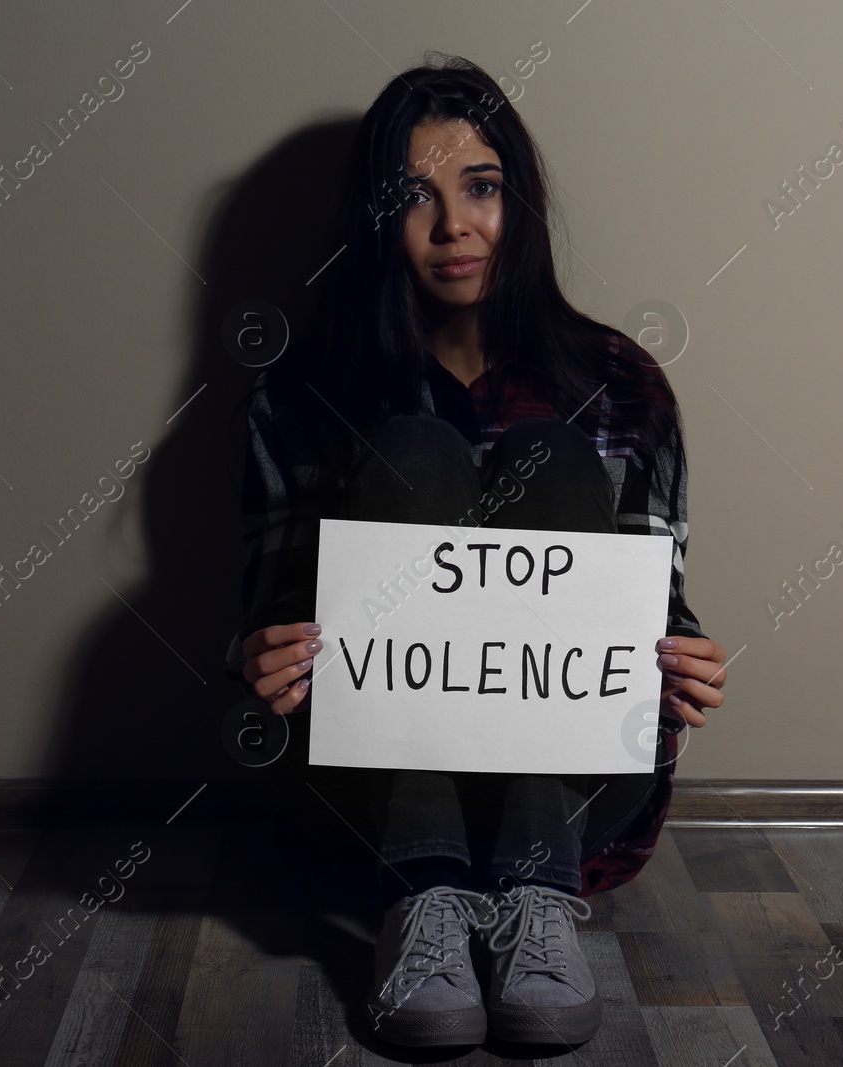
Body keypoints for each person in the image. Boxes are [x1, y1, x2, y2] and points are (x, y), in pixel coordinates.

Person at [223, 53, 726, 1049]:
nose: (454, 227)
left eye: (481, 188)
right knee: (412, 450)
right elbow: (265, 610)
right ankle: (425, 892)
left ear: (520, 202)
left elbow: (654, 596)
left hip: (577, 789)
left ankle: (535, 894)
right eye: (416, 197)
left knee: (551, 451)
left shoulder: (622, 384)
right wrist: (261, 654)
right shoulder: (303, 395)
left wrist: (686, 654)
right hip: (361, 786)